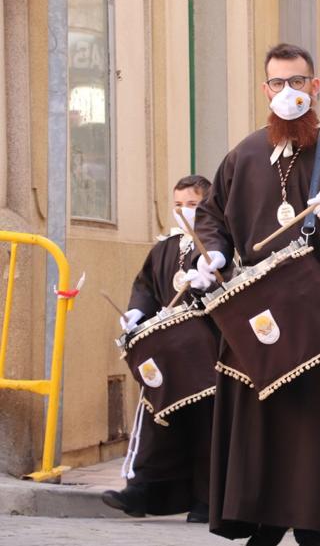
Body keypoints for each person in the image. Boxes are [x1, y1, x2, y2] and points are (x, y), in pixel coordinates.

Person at [194, 43, 320, 545]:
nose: (289, 92)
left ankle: (308, 531)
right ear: (265, 89)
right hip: (257, 307)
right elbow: (211, 216)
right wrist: (213, 253)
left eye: (298, 82)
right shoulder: (244, 153)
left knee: (311, 426)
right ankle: (260, 523)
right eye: (278, 83)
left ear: (315, 85)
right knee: (257, 419)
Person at [103, 175, 216, 523]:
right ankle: (141, 492)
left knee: (206, 426)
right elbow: (147, 285)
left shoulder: (219, 243)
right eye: (179, 205)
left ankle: (206, 501)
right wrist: (137, 310)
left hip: (206, 353)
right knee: (155, 418)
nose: (184, 212)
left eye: (193, 205)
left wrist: (213, 278)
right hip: (167, 354)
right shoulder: (164, 247)